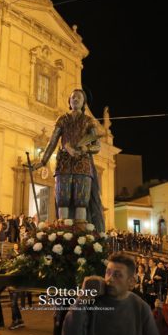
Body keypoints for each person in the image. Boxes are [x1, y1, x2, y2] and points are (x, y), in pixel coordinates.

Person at [63, 252, 166, 335]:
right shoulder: (92, 302)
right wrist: (81, 299)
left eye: (117, 275)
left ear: (131, 282)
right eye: (108, 273)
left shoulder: (141, 308)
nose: (109, 279)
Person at [33, 89, 104, 231]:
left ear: (84, 102)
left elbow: (96, 145)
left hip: (82, 165)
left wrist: (85, 149)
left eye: (79, 98)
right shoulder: (62, 119)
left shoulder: (88, 121)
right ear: (69, 102)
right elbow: (53, 141)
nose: (75, 100)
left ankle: (80, 232)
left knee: (81, 201)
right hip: (64, 163)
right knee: (62, 199)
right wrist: (43, 161)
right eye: (73, 98)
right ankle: (62, 232)